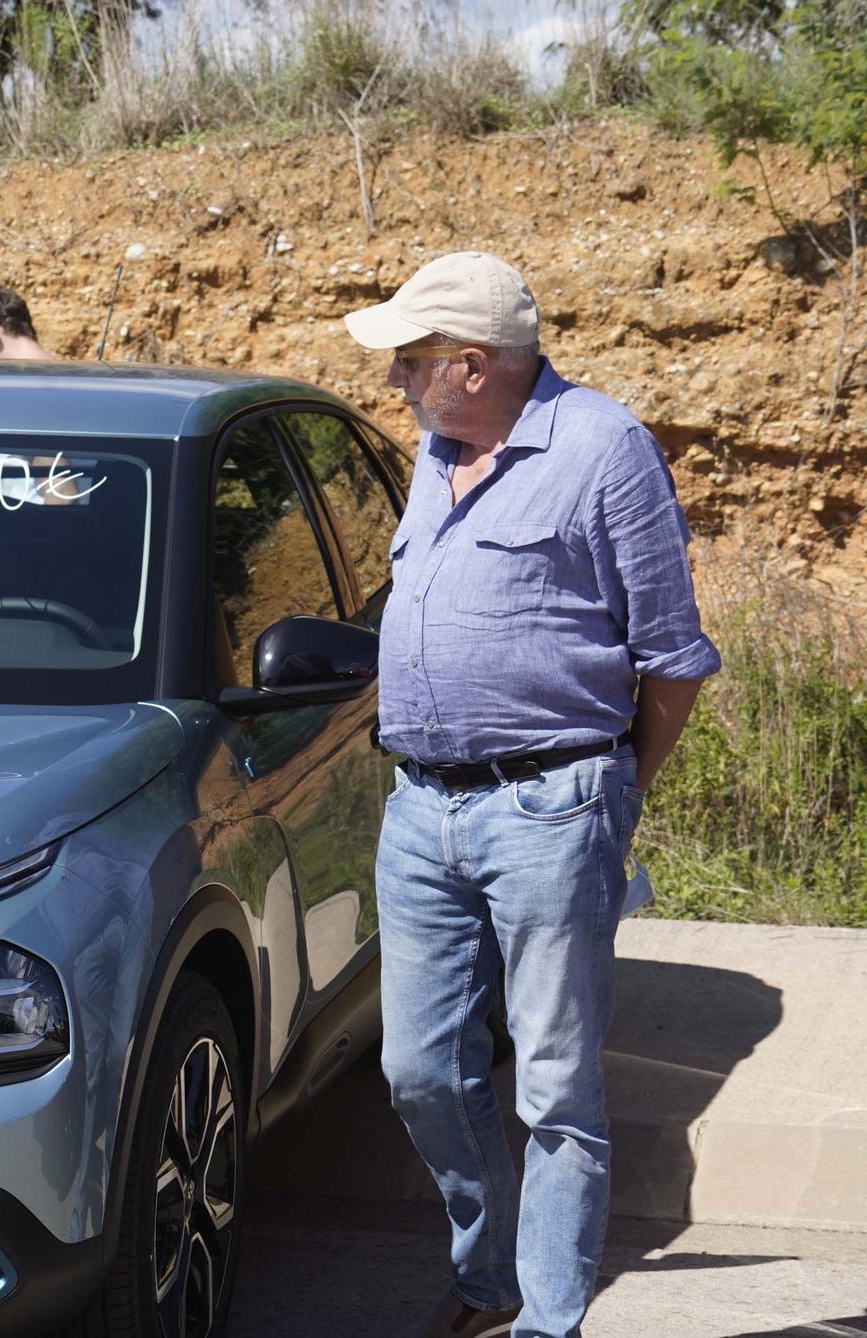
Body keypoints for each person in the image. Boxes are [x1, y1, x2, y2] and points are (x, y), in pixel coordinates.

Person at [343, 252, 719, 1338]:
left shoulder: (601, 451)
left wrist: (609, 798)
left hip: (551, 805)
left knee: (552, 1082)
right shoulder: (436, 446)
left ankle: (541, 1318)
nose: (397, 385)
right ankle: (488, 1275)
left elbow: (673, 660)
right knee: (416, 1068)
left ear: (472, 364)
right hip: (419, 810)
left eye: (411, 364)